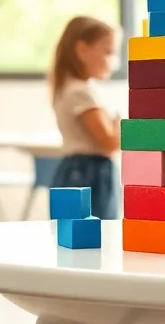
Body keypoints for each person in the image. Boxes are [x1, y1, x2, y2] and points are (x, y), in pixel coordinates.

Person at [48, 16, 121, 220]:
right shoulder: (81, 92)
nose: (113, 62)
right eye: (108, 52)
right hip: (89, 174)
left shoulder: (70, 87)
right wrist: (120, 122)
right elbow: (110, 143)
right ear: (82, 50)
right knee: (97, 234)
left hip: (77, 171)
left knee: (74, 234)